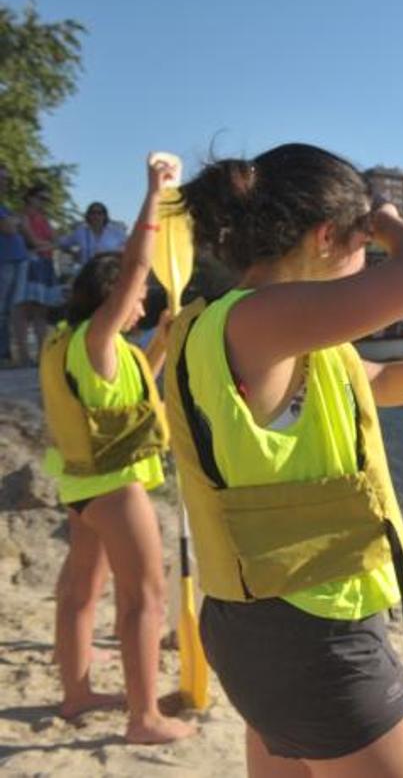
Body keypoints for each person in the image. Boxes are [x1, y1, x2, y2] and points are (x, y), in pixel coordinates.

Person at [164, 142, 403, 777]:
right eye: (362, 241)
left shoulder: (281, 337)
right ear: (324, 237)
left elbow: (385, 384)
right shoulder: (255, 321)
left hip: (255, 622)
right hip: (312, 631)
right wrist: (387, 216)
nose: (369, 254)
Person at [39, 156, 194, 743]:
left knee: (80, 592)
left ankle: (76, 693)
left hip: (83, 488)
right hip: (113, 486)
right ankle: (144, 717)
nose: (143, 302)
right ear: (111, 297)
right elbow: (134, 267)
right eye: (137, 296)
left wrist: (161, 344)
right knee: (143, 599)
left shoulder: (88, 347)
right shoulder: (100, 338)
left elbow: (125, 397)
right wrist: (154, 195)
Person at [13, 185, 64, 365]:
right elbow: (32, 240)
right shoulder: (23, 216)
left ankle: (43, 355)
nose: (44, 203)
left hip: (45, 263)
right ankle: (24, 355)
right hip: (29, 264)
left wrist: (44, 246)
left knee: (41, 310)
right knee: (23, 309)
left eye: (46, 199)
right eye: (41, 198)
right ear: (30, 197)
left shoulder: (45, 219)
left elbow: (56, 241)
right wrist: (46, 245)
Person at [0, 165, 28, 365]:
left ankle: (6, 354)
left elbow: (16, 224)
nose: (5, 183)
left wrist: (15, 221)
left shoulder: (5, 207)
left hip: (16, 261)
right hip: (4, 262)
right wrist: (16, 221)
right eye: (2, 178)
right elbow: (9, 228)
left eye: (7, 179)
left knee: (9, 310)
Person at [60, 201, 128, 267]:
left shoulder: (116, 232)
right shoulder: (81, 232)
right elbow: (62, 243)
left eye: (99, 213)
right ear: (88, 215)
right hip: (86, 272)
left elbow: (129, 247)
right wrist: (73, 253)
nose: (96, 216)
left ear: (104, 215)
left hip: (109, 274)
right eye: (93, 213)